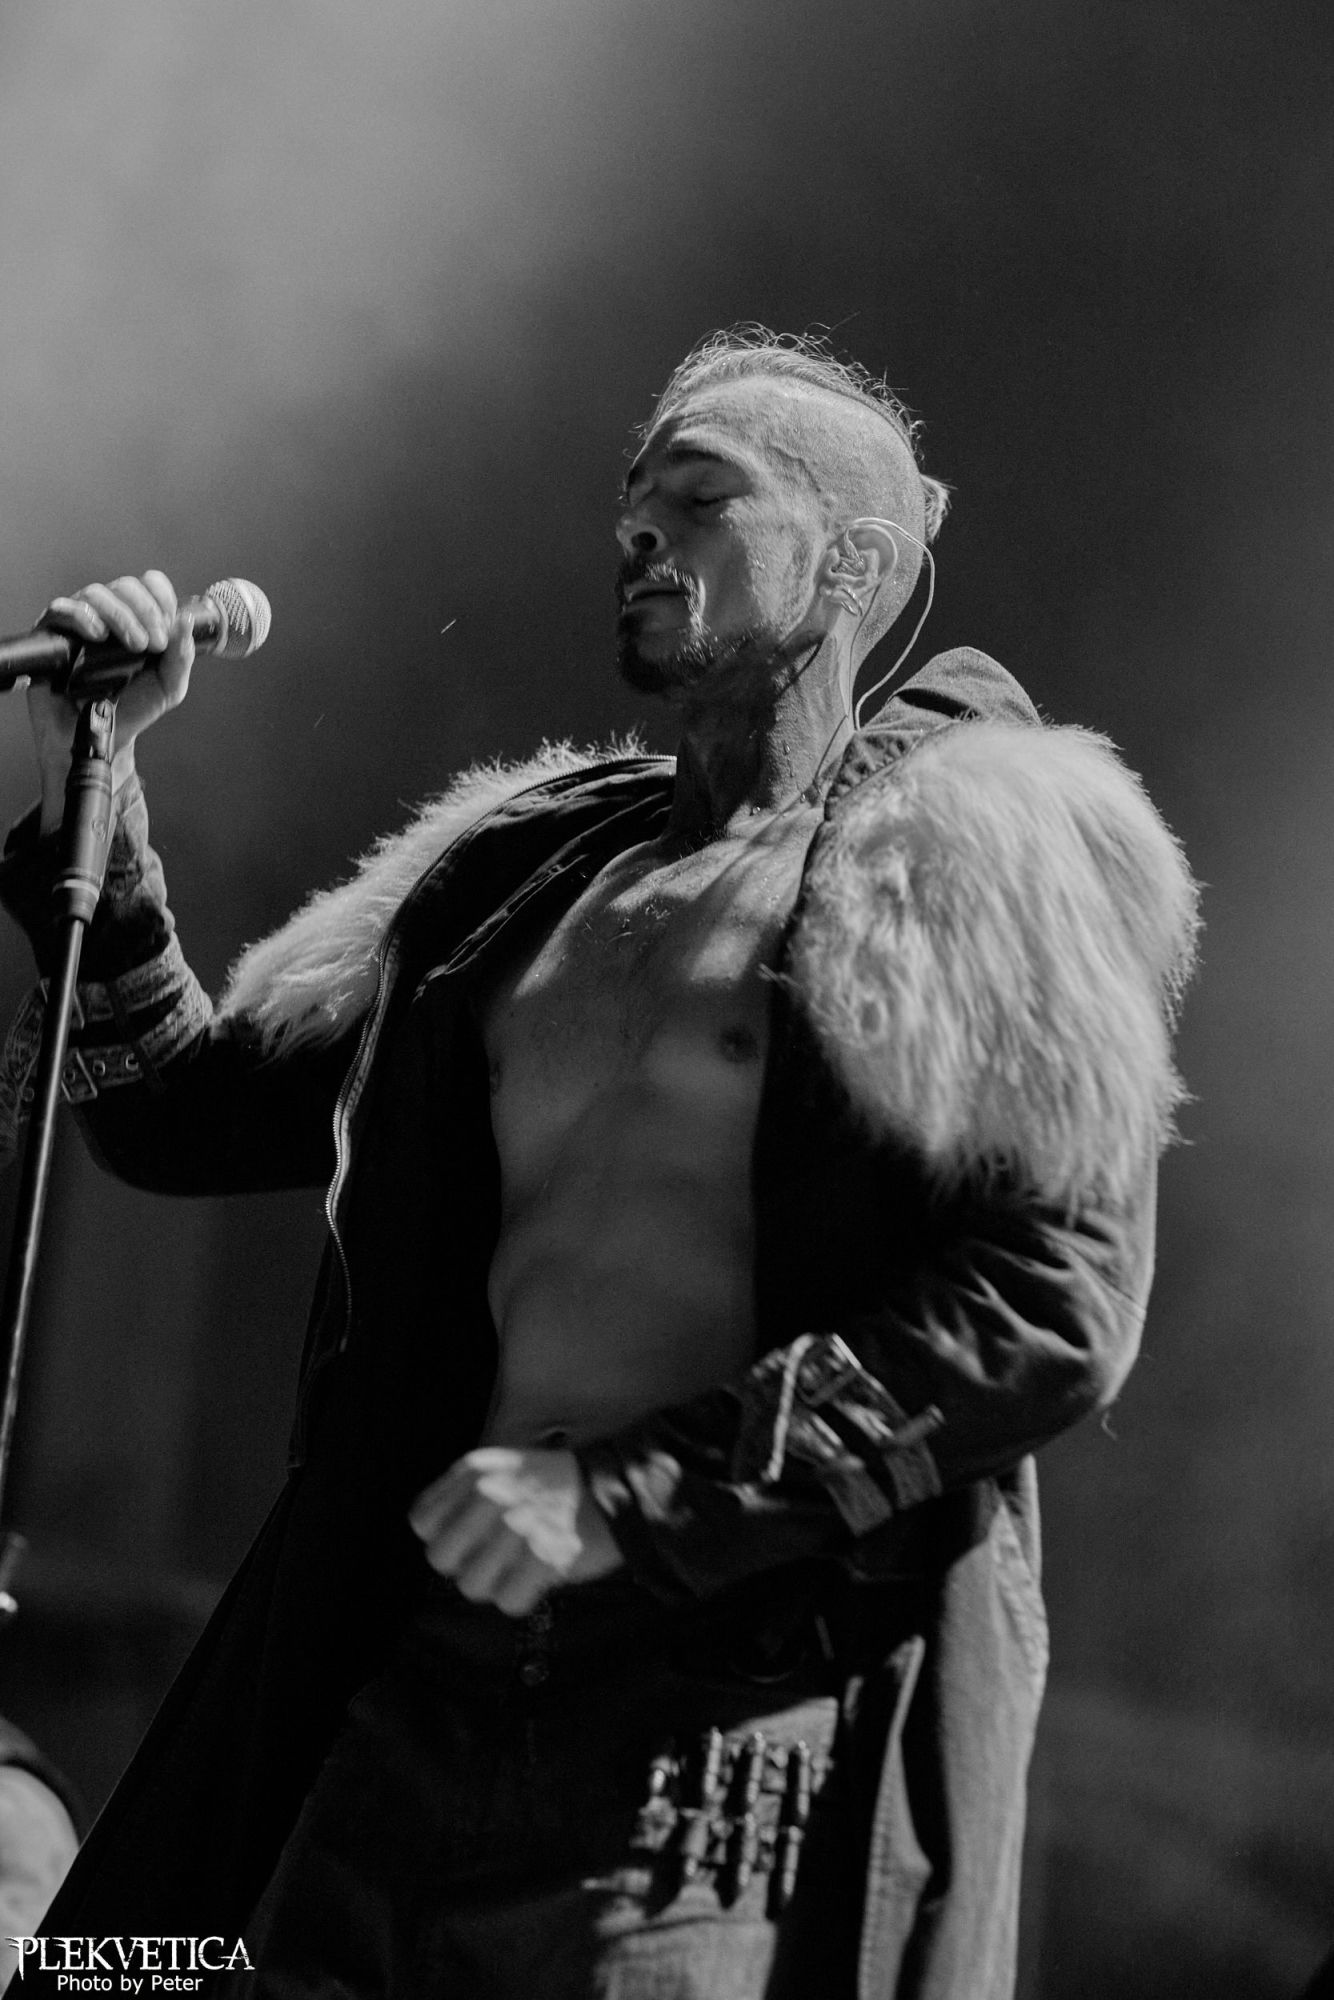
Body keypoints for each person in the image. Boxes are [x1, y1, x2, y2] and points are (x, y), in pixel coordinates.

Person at [0, 329, 1198, 1997]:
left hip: (717, 1727)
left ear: (851, 562)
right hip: (400, 1682)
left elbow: (1051, 1307)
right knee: (144, 1969)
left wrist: (628, 1497)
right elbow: (174, 1120)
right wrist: (95, 797)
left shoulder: (967, 855)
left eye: (700, 498)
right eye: (632, 504)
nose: (639, 534)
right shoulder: (510, 875)